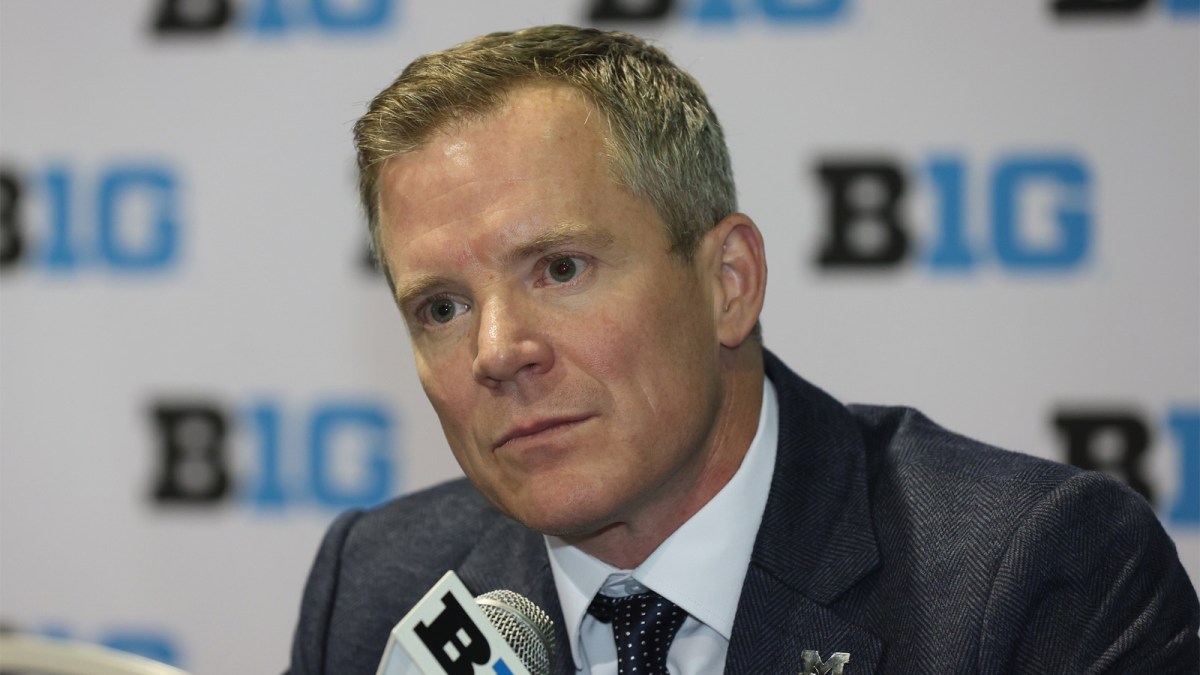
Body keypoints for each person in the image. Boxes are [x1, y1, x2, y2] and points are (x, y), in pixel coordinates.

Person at [287, 25, 1198, 674]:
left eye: (560, 268)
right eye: (441, 306)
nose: (498, 350)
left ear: (729, 282)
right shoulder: (380, 587)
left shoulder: (1030, 574)